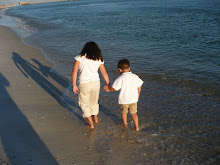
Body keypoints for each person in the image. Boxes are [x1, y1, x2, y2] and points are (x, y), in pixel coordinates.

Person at [72, 42, 109, 130]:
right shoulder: (98, 59)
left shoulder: (80, 58)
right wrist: (108, 84)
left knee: (84, 103)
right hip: (96, 82)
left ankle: (90, 123)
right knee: (94, 101)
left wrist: (74, 85)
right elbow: (104, 73)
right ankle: (95, 118)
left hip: (84, 83)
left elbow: (74, 71)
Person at [104, 59, 143, 131]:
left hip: (124, 100)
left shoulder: (120, 78)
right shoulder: (135, 76)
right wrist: (138, 94)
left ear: (120, 69)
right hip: (133, 99)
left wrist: (108, 88)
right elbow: (139, 86)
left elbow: (115, 88)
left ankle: (125, 124)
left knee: (124, 113)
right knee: (134, 113)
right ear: (129, 68)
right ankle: (137, 127)